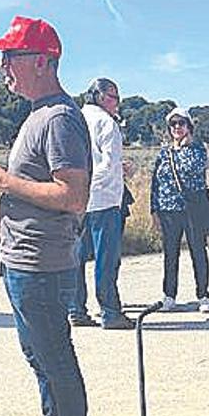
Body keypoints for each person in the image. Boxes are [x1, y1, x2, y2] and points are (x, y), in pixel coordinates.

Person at [0, 16, 95, 416]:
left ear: (41, 61)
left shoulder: (58, 118)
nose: (3, 68)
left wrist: (2, 180)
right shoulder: (40, 113)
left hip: (41, 262)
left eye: (10, 58)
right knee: (42, 355)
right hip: (25, 259)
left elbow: (72, 196)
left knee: (54, 356)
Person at [68, 77, 135, 330]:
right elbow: (107, 165)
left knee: (77, 257)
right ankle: (109, 311)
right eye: (114, 97)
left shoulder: (75, 119)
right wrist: (102, 180)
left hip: (76, 200)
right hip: (104, 199)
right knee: (106, 259)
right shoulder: (107, 123)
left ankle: (76, 308)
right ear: (99, 96)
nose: (117, 103)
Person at [151, 107, 209, 312]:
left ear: (189, 126)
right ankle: (169, 295)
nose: (177, 127)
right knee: (170, 254)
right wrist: (154, 209)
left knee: (198, 252)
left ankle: (203, 295)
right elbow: (155, 182)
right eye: (173, 124)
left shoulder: (197, 150)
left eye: (181, 123)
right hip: (168, 209)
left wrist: (183, 148)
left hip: (192, 208)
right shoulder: (164, 153)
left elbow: (193, 170)